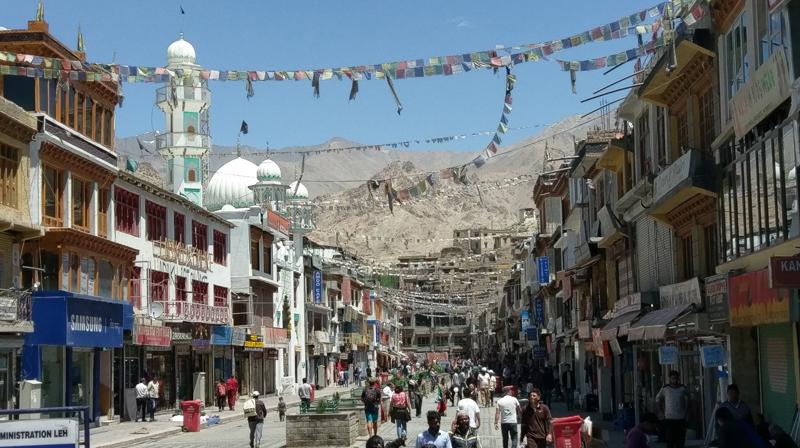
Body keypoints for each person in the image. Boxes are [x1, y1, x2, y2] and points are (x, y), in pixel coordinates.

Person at [656, 370, 689, 448]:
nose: (674, 380)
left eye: (676, 378)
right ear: (670, 379)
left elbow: (688, 400)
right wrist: (660, 412)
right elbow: (657, 399)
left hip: (681, 418)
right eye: (673, 378)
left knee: (680, 440)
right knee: (670, 440)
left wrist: (687, 413)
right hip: (669, 418)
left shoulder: (683, 388)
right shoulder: (665, 388)